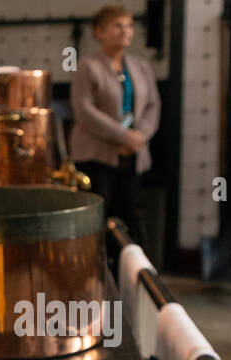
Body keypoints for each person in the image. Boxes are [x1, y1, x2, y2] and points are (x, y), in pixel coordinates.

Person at [70, 5, 161, 243]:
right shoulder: (88, 66)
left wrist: (139, 136)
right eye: (117, 26)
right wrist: (123, 136)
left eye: (130, 26)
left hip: (132, 155)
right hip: (96, 157)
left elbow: (153, 105)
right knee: (96, 221)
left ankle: (128, 274)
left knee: (130, 218)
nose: (125, 32)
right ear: (99, 32)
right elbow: (85, 111)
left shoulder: (141, 66)